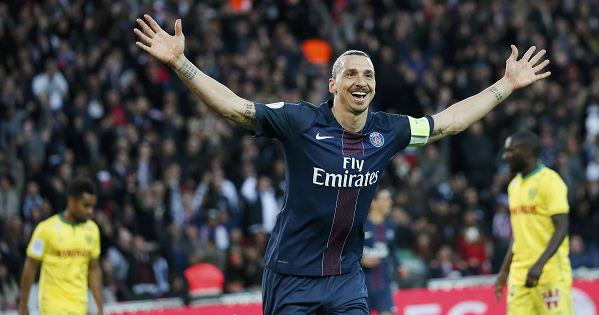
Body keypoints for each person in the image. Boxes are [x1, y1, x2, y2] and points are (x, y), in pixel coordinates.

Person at [134, 15, 550, 314]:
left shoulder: (388, 130)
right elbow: (235, 109)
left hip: (346, 279)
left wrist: (507, 84)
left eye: (368, 75)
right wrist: (180, 65)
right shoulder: (300, 121)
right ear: (333, 84)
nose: (361, 81)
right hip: (290, 278)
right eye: (350, 73)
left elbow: (450, 123)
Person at [495, 131, 572, 315]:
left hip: (550, 275)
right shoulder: (513, 186)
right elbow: (518, 233)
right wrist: (504, 271)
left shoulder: (550, 181)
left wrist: (539, 265)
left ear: (527, 152)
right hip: (519, 277)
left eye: (510, 151)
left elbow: (561, 227)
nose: (505, 157)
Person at [19, 177, 103, 315]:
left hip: (80, 305)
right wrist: (23, 305)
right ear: (71, 201)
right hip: (53, 305)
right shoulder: (46, 229)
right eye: (86, 205)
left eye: (92, 206)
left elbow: (93, 269)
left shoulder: (92, 230)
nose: (90, 211)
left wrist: (100, 307)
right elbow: (30, 266)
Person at [361, 189, 409, 315]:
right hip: (361, 286)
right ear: (374, 203)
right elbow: (347, 251)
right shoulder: (360, 225)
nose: (390, 202)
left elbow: (391, 250)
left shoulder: (391, 225)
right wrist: (361, 259)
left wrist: (399, 266)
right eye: (386, 199)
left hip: (384, 285)